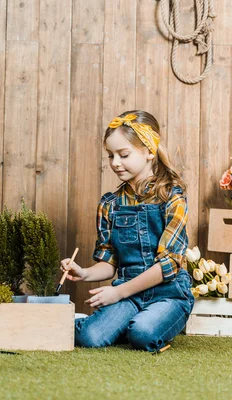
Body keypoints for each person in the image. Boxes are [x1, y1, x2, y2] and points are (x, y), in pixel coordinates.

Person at [60, 110, 194, 352]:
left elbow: (169, 265)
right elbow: (109, 263)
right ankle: (118, 322)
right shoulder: (110, 204)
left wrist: (118, 292)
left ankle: (142, 323)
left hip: (169, 293)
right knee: (89, 337)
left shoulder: (172, 197)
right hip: (129, 296)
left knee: (142, 334)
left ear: (149, 152)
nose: (115, 163)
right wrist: (84, 273)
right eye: (110, 156)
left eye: (123, 154)